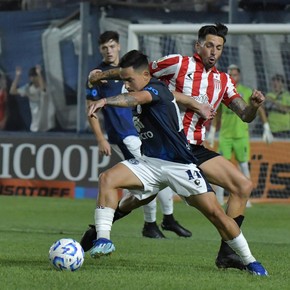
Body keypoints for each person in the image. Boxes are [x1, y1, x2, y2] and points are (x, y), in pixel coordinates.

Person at [88, 23, 267, 271]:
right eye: (209, 45)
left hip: (194, 149)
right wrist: (101, 76)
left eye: (219, 48)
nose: (213, 52)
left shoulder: (223, 81)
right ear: (198, 45)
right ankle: (99, 232)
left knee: (242, 186)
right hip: (165, 144)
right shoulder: (177, 63)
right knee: (134, 200)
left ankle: (228, 254)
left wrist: (254, 106)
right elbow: (136, 73)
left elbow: (245, 115)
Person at [81, 31, 191, 251]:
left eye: (112, 46)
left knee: (158, 173)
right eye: (104, 48)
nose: (108, 50)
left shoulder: (132, 72)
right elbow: (90, 108)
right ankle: (151, 223)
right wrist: (101, 137)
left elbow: (162, 94)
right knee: (150, 176)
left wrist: (193, 103)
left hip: (141, 133)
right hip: (123, 135)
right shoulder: (98, 76)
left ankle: (162, 219)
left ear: (119, 47)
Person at [207, 64, 274, 205]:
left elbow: (258, 109)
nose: (233, 77)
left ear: (240, 76)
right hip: (225, 135)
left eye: (235, 74)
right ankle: (219, 198)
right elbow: (218, 113)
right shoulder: (223, 90)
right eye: (230, 74)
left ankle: (246, 198)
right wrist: (212, 132)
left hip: (241, 135)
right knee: (221, 167)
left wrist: (266, 126)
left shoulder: (246, 91)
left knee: (243, 166)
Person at [9, 65, 46, 132]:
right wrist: (17, 76)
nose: (32, 78)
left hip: (47, 125)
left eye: (35, 76)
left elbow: (43, 89)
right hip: (35, 126)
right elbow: (12, 91)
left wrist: (39, 74)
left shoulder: (45, 87)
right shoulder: (28, 88)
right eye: (31, 76)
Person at [265, 74, 290, 138]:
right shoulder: (268, 95)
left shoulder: (287, 95)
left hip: (286, 129)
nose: (275, 83)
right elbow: (265, 110)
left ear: (282, 84)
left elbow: (287, 109)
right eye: (274, 81)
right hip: (273, 129)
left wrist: (273, 102)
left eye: (278, 81)